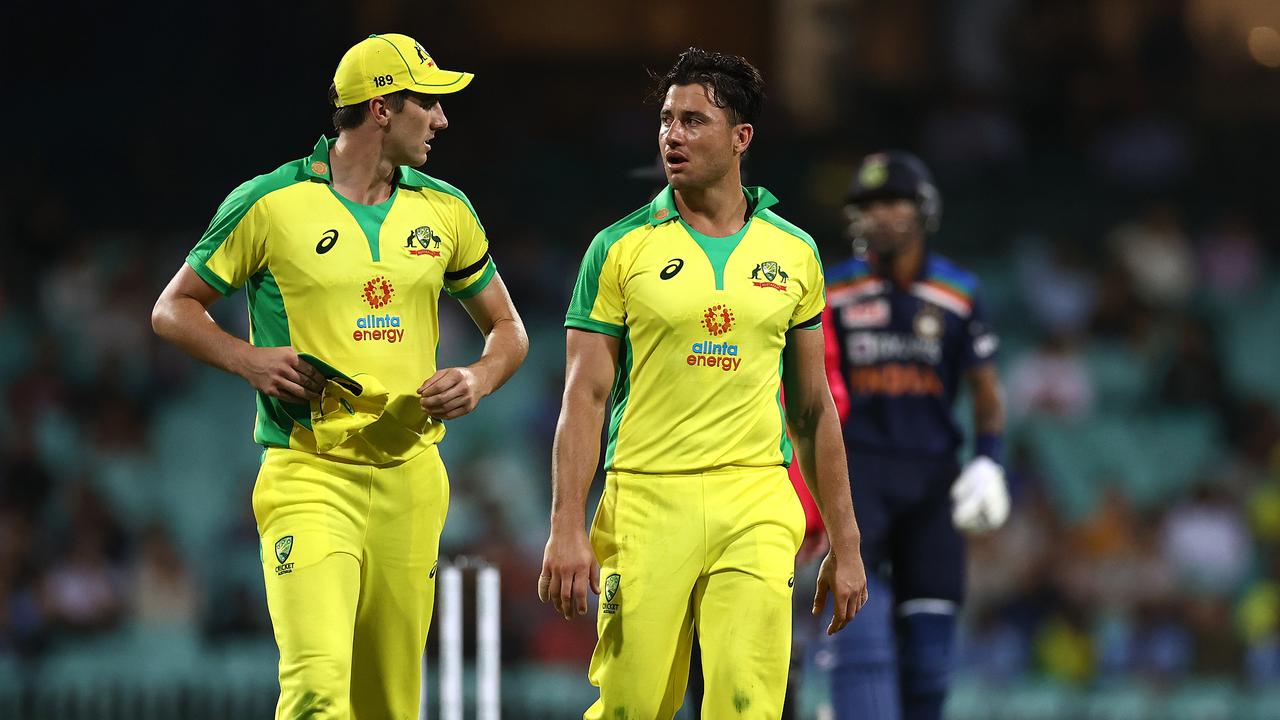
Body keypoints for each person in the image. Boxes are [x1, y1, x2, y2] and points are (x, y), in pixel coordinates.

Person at [150, 33, 527, 719]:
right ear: (382, 107)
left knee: (387, 703)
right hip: (309, 475)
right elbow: (172, 309)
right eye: (428, 103)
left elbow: (509, 332)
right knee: (318, 693)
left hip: (411, 480)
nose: (441, 119)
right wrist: (248, 359)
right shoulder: (269, 202)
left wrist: (476, 379)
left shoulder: (446, 209)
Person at [538, 47, 868, 719]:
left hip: (754, 501)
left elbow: (812, 410)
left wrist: (846, 540)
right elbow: (585, 397)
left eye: (693, 121)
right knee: (632, 708)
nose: (671, 136)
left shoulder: (795, 253)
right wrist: (566, 527)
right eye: (665, 120)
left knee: (750, 706)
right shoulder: (618, 248)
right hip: (646, 502)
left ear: (741, 137)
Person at [818, 151, 1008, 720]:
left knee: (928, 663)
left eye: (894, 202)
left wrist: (990, 460)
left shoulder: (959, 291)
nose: (881, 215)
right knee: (861, 648)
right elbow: (809, 393)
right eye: (868, 205)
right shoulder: (831, 290)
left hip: (933, 481)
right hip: (858, 479)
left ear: (923, 209)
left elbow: (985, 390)